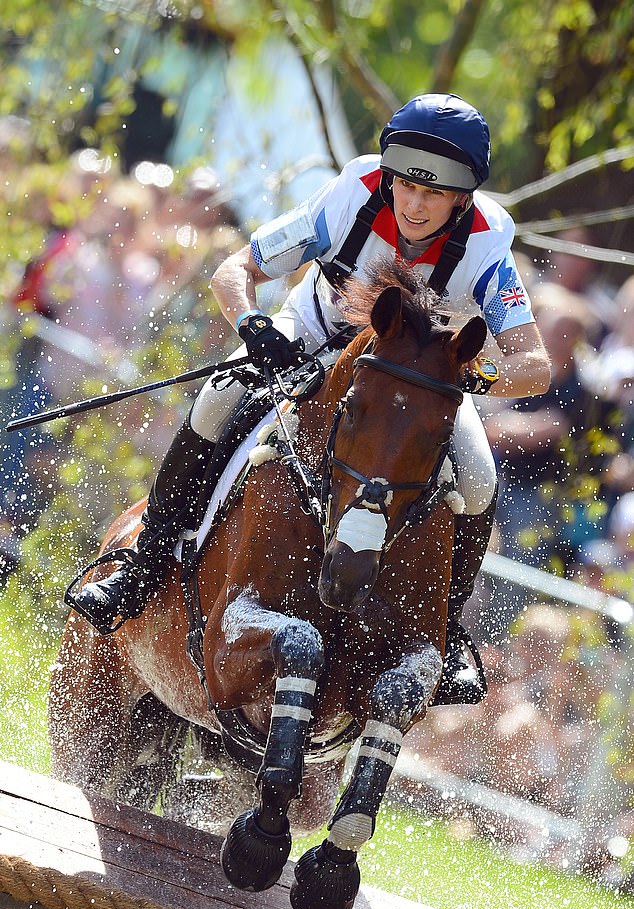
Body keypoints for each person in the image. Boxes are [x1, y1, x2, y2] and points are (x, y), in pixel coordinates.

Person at [72, 93, 551, 705]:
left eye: (434, 193)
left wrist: (471, 378)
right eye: (406, 185)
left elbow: (534, 364)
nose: (414, 203)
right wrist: (252, 327)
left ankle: (448, 638)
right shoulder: (351, 195)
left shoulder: (486, 243)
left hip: (412, 385)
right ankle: (144, 566)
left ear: (463, 197)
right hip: (313, 342)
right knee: (217, 402)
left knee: (479, 479)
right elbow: (234, 270)